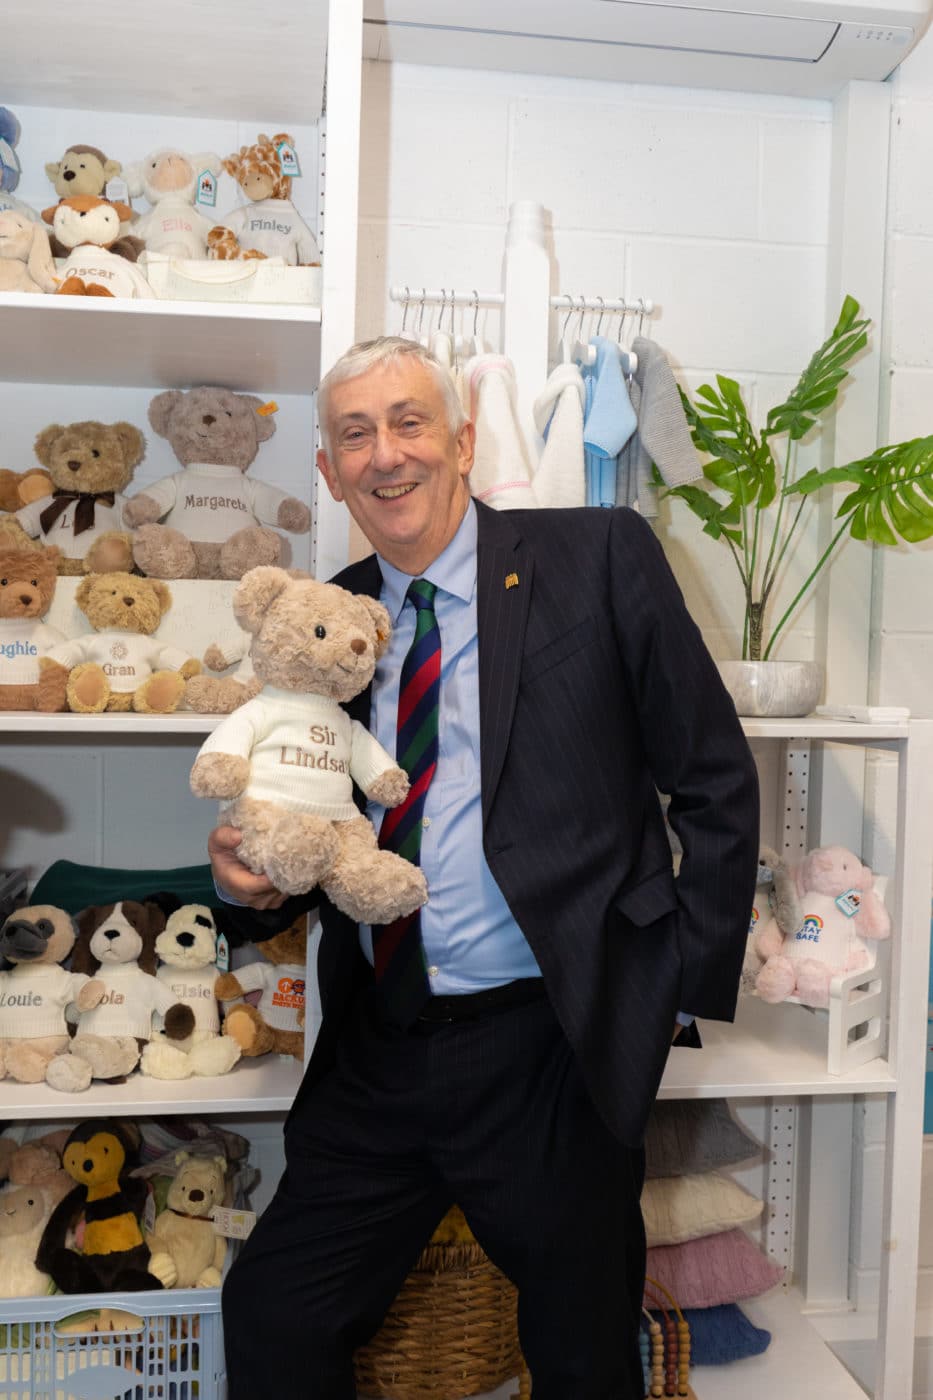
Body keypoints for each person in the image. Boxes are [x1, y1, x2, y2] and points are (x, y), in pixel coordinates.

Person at [212, 336, 760, 1400]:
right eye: (355, 434)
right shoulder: (322, 622)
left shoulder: (599, 555)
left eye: (409, 422)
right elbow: (290, 820)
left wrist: (671, 988)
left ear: (462, 442)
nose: (385, 454)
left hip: (549, 1043)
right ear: (328, 470)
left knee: (580, 1350)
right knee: (276, 1310)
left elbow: (715, 780)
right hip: (380, 1042)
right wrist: (243, 885)